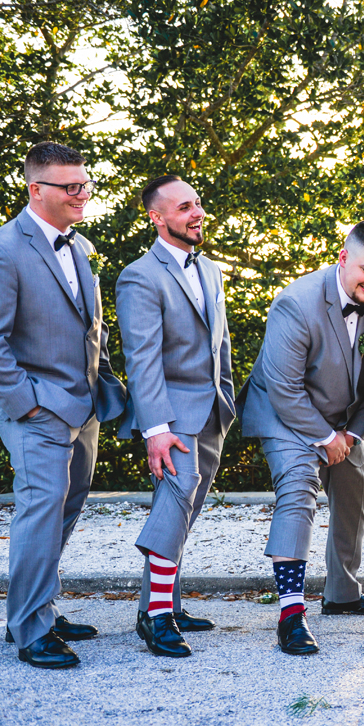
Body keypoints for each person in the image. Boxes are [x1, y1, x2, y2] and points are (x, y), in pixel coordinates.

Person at [0, 141, 127, 668]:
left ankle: (40, 608)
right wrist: (28, 406)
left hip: (83, 407)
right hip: (37, 411)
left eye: (85, 184)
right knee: (40, 511)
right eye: (69, 186)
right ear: (36, 189)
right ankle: (29, 629)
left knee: (64, 510)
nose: (82, 194)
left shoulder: (78, 247)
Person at [239, 221, 364, 655]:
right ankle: (291, 614)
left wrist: (350, 433)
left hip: (342, 422)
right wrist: (325, 437)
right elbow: (283, 388)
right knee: (298, 492)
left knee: (357, 488)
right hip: (284, 414)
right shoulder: (297, 303)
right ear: (343, 258)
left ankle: (342, 593)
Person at [116, 175, 235, 658]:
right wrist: (156, 430)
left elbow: (219, 344)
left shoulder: (209, 270)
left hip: (211, 411)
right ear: (157, 217)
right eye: (184, 207)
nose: (196, 212)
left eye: (198, 203)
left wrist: (226, 400)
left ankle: (167, 602)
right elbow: (141, 359)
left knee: (184, 510)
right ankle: (157, 616)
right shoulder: (139, 276)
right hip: (171, 416)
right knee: (176, 501)